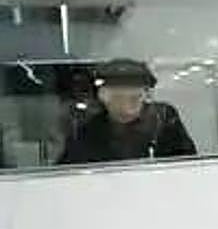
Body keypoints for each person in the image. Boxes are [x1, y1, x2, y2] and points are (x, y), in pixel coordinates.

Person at [58, 58, 197, 165]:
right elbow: (67, 173)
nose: (129, 106)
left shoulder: (163, 118)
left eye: (136, 97)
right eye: (119, 97)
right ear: (104, 97)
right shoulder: (89, 130)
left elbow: (189, 166)